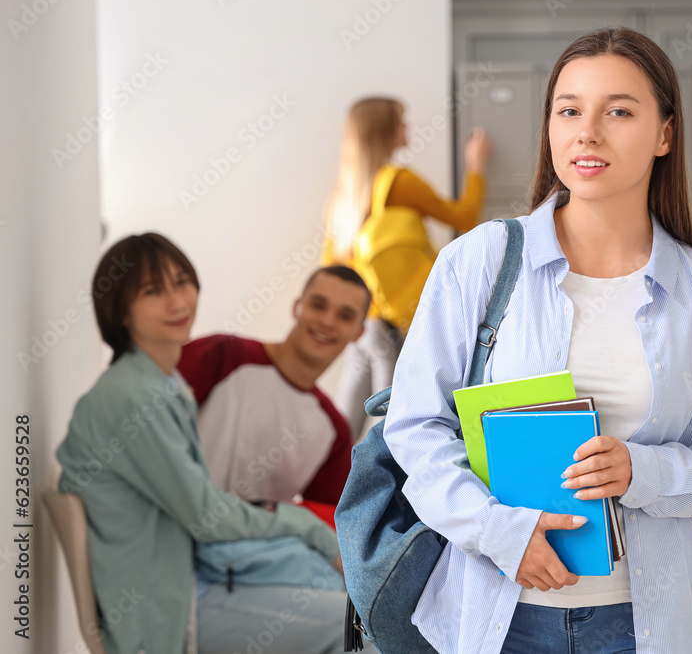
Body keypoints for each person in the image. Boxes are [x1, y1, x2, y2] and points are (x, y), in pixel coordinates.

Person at [381, 28, 692, 654]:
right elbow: (417, 427)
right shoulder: (479, 262)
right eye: (568, 110)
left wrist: (642, 469)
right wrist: (501, 532)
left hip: (646, 624)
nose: (587, 131)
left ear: (665, 134)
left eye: (618, 110)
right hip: (496, 616)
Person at [56, 233, 347, 654]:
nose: (177, 302)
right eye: (153, 291)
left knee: (349, 593)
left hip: (192, 575)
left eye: (181, 282)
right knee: (358, 626)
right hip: (168, 611)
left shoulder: (163, 382)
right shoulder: (132, 397)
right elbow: (206, 515)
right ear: (120, 310)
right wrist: (304, 525)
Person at [321, 96, 492, 440]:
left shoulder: (345, 192)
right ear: (385, 129)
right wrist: (476, 167)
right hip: (390, 323)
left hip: (361, 324)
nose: (407, 127)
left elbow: (334, 264)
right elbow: (464, 218)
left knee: (345, 422)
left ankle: (329, 487)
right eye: (401, 120)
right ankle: (378, 493)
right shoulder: (398, 182)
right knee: (392, 424)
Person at [176, 265, 369, 519]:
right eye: (318, 305)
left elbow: (333, 522)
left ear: (359, 332)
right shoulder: (222, 355)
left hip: (241, 554)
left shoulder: (335, 432)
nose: (327, 321)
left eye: (345, 316)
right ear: (296, 307)